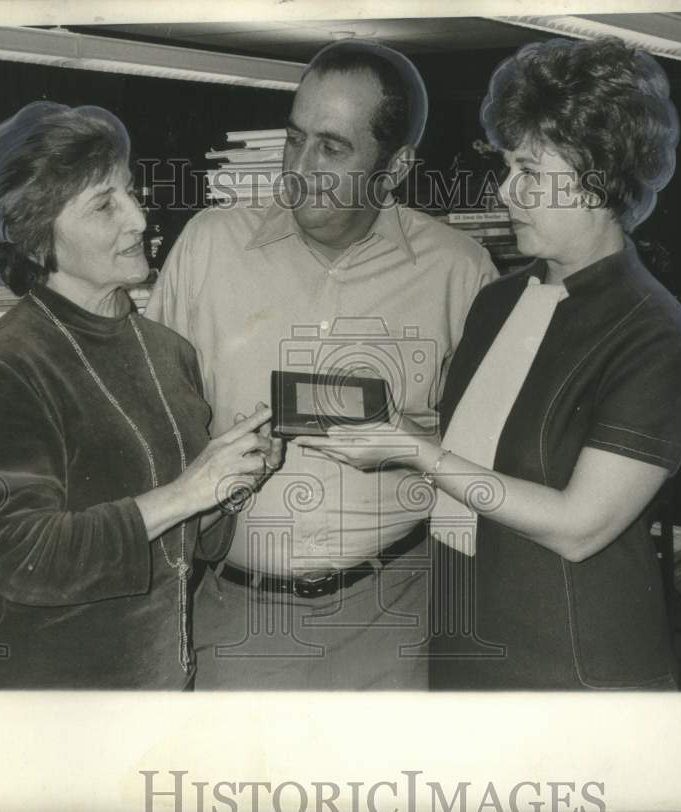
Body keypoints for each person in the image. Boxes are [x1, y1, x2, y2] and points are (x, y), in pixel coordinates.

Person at [298, 37, 681, 690]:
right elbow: (484, 461)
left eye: (532, 174)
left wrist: (418, 452)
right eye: (508, 168)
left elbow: (580, 525)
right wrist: (398, 431)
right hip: (465, 633)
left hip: (570, 663)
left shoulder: (656, 336)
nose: (507, 192)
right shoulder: (498, 300)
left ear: (602, 181)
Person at [146, 40, 498, 690]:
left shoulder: (460, 273)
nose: (300, 168)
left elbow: (489, 466)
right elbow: (146, 430)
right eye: (294, 138)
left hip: (396, 619)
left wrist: (409, 443)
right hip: (237, 622)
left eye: (332, 148)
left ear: (394, 168)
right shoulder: (206, 249)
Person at [0, 101, 282, 689]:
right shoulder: (7, 364)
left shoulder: (168, 349)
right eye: (104, 205)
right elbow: (20, 557)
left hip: (155, 680)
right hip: (44, 695)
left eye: (129, 191)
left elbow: (185, 545)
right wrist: (188, 490)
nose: (139, 218)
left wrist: (228, 487)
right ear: (35, 236)